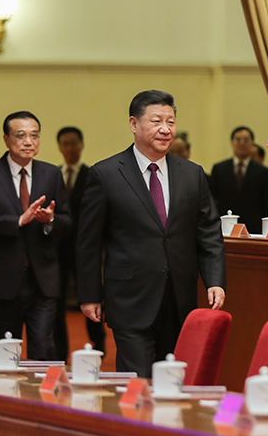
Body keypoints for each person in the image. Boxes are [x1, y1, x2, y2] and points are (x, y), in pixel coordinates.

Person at [76, 90, 226, 377]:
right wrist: (89, 294)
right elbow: (88, 242)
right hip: (130, 299)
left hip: (179, 298)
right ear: (134, 124)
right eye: (156, 121)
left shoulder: (192, 174)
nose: (165, 129)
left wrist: (215, 280)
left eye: (171, 122)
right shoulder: (106, 174)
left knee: (172, 380)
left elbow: (208, 232)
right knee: (138, 382)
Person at [0, 112, 71, 360]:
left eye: (34, 135)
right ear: (6, 139)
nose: (28, 142)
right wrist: (17, 221)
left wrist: (50, 220)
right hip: (1, 279)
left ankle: (40, 388)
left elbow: (67, 221)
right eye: (21, 135)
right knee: (4, 354)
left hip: (42, 279)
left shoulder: (51, 173)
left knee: (43, 350)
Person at [55, 125, 105, 358]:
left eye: (74, 143)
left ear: (82, 145)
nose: (70, 148)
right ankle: (59, 351)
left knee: (91, 296)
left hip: (85, 248)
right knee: (56, 301)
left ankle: (98, 344)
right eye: (65, 144)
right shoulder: (54, 175)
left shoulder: (92, 175)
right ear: (59, 147)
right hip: (57, 250)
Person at [210, 127, 268, 230]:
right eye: (237, 140)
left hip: (253, 228)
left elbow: (267, 203)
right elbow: (213, 200)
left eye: (246, 140)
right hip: (225, 226)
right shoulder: (219, 169)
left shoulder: (262, 171)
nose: (242, 143)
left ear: (252, 143)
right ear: (232, 143)